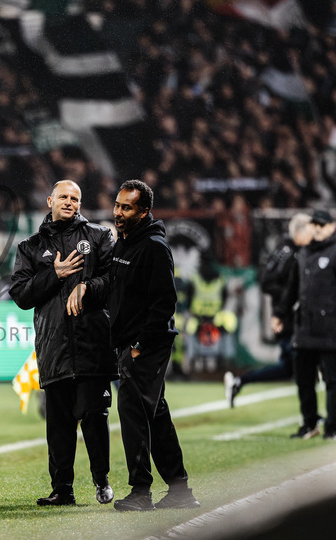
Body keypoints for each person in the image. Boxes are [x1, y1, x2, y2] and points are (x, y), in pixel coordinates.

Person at [9, 180, 117, 507]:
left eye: (75, 198)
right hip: (53, 346)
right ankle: (62, 490)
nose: (69, 202)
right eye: (64, 197)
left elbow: (115, 280)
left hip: (92, 345)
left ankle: (101, 480)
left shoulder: (99, 237)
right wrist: (53, 275)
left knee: (94, 416)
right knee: (59, 426)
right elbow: (20, 295)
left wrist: (87, 287)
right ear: (50, 200)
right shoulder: (30, 247)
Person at [102, 179, 200, 511]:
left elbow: (164, 304)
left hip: (146, 346)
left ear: (144, 211)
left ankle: (141, 492)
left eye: (126, 207)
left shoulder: (154, 247)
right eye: (117, 205)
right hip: (128, 344)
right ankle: (180, 490)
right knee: (155, 414)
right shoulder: (124, 242)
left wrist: (138, 346)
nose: (118, 212)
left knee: (132, 413)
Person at [272, 210, 336, 441]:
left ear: (332, 227)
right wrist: (280, 313)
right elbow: (292, 287)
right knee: (303, 379)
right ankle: (310, 423)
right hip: (304, 327)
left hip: (330, 327)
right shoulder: (304, 253)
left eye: (322, 225)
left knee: (332, 379)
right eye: (315, 225)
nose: (318, 229)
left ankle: (332, 427)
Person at [225, 212, 314, 407]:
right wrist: (291, 297)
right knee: (299, 366)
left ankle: (240, 381)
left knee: (289, 368)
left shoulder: (297, 250)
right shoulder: (287, 252)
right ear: (298, 231)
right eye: (309, 229)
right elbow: (267, 282)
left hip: (292, 316)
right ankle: (310, 418)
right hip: (286, 317)